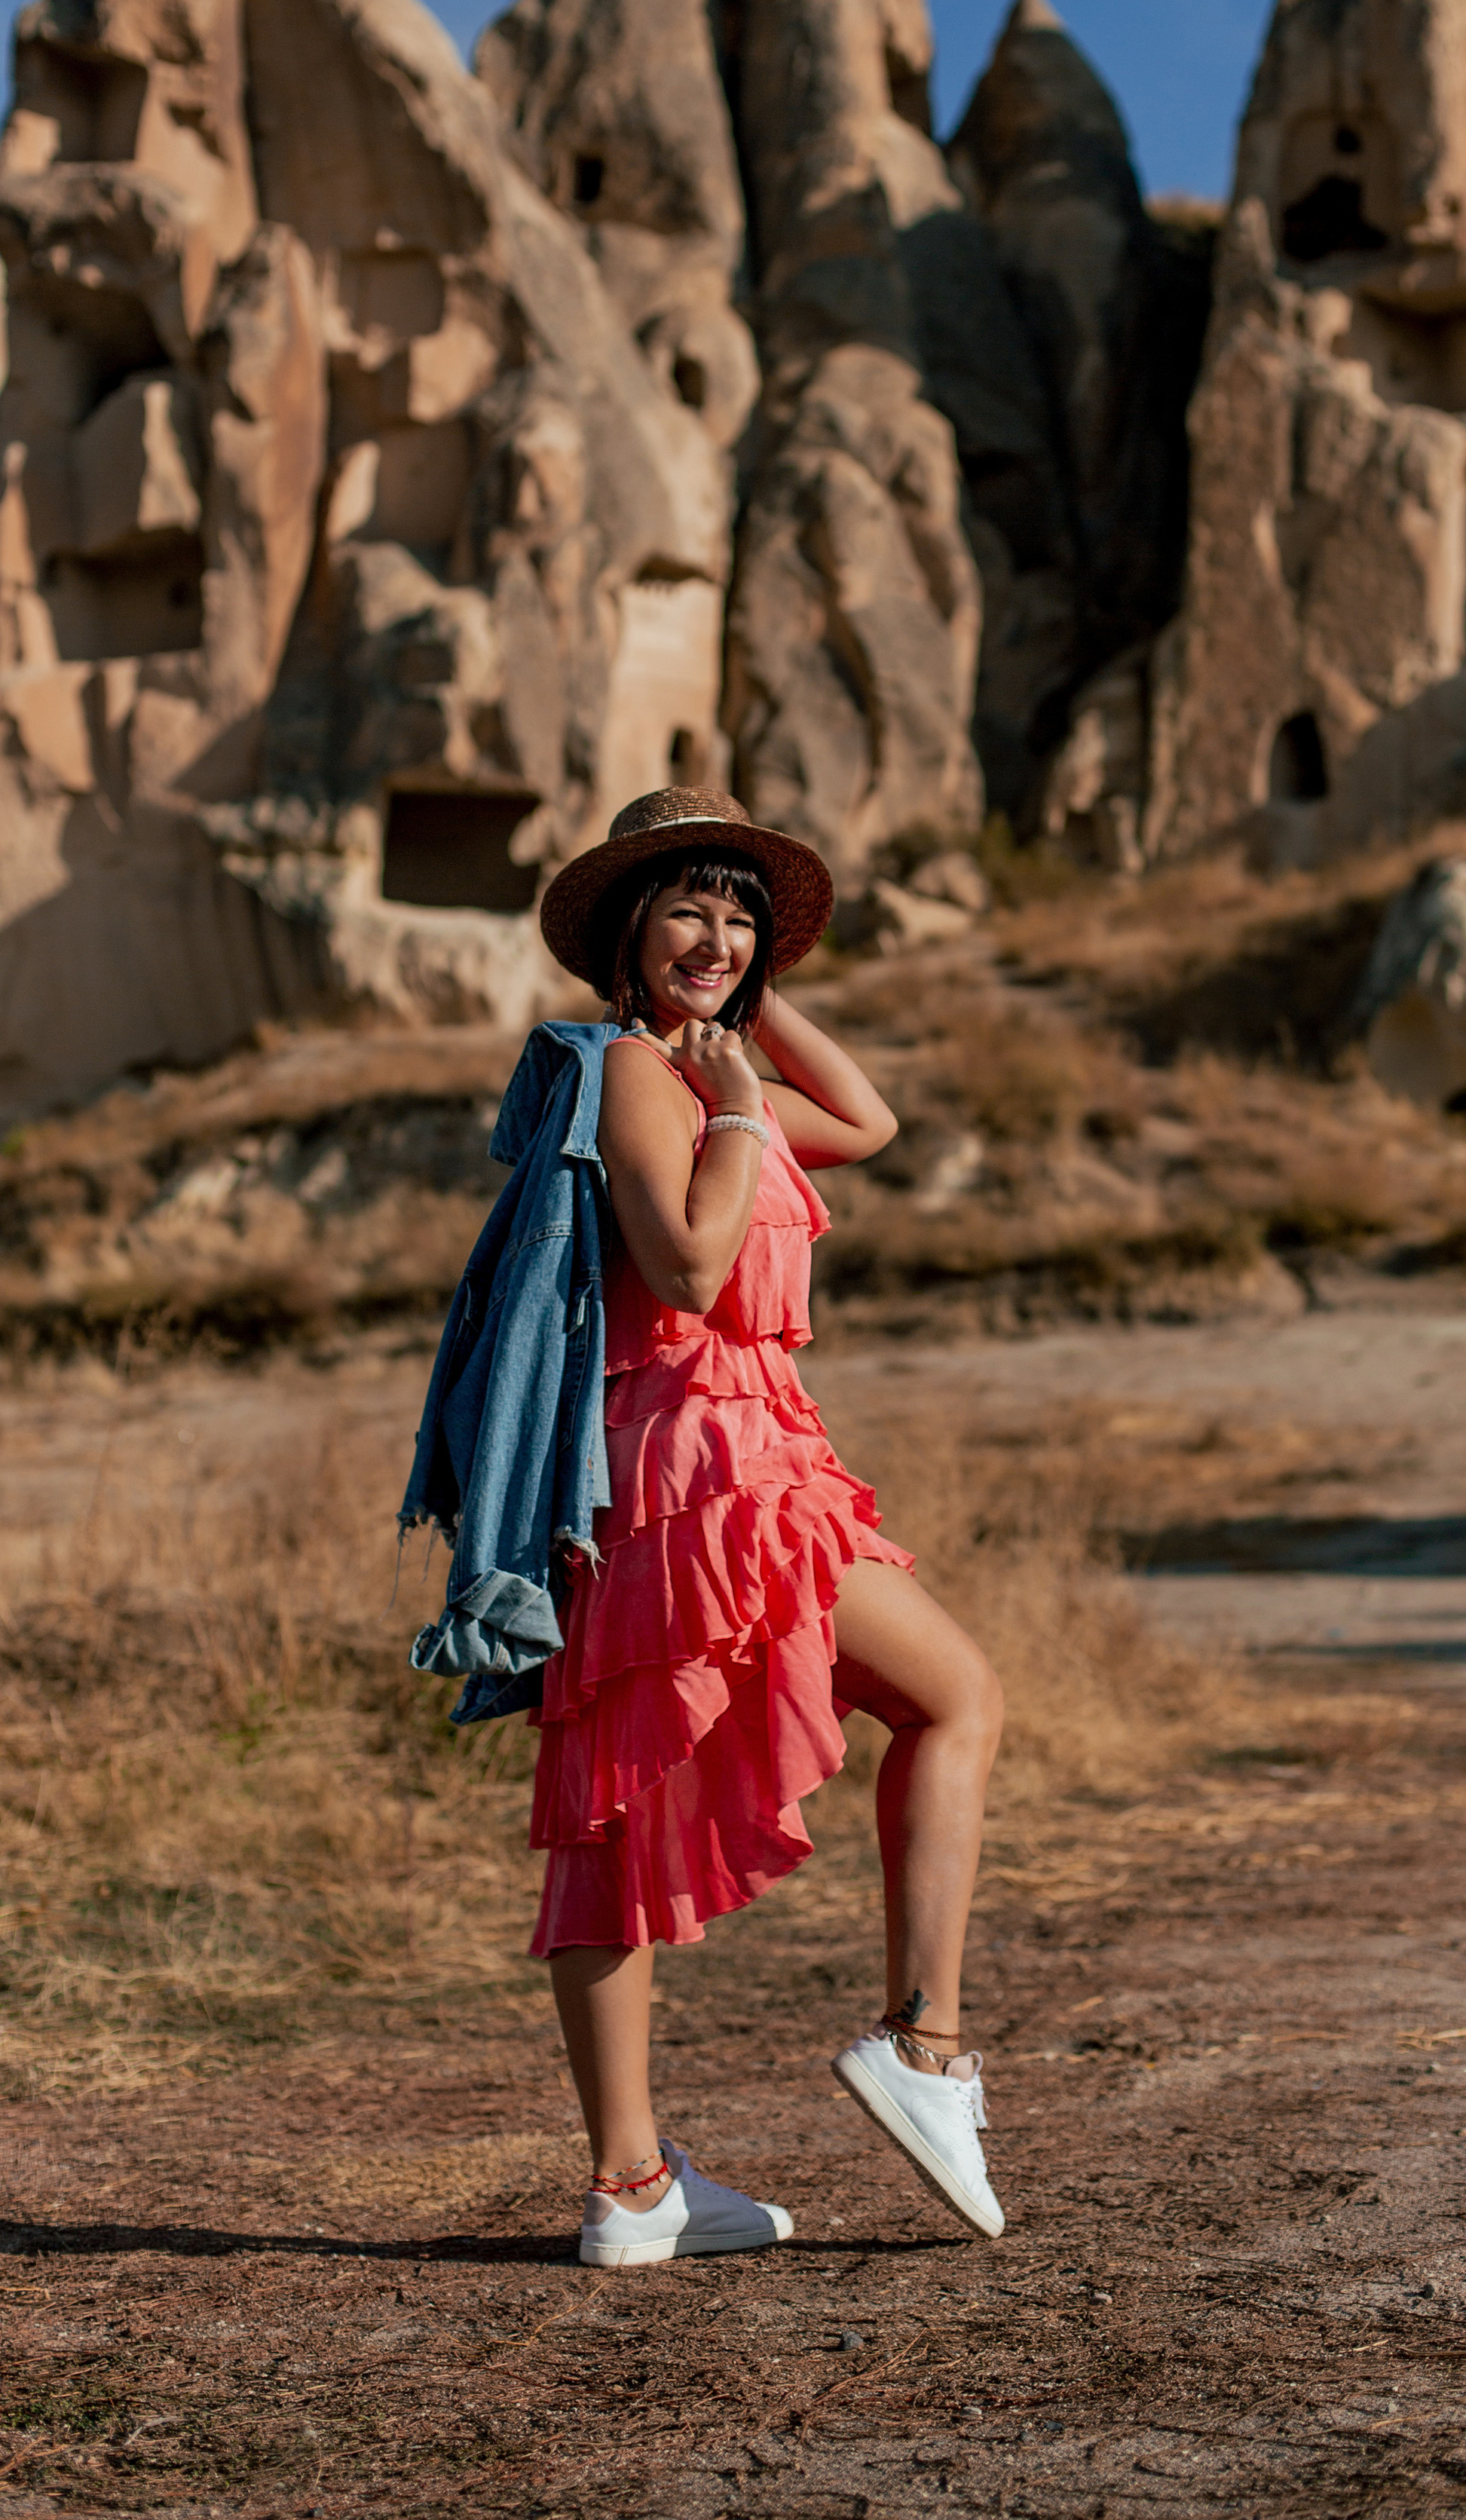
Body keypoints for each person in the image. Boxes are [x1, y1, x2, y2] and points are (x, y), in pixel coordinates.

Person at [526, 788, 1005, 2267]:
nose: (715, 939)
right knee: (956, 1696)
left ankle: (631, 2191)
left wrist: (757, 1019)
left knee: (614, 1800)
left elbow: (868, 1121)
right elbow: (683, 1260)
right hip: (702, 1454)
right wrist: (732, 1103)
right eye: (687, 910)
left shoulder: (694, 1066)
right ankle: (919, 2049)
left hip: (705, 1456)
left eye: (739, 917)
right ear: (623, 931)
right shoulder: (626, 1076)